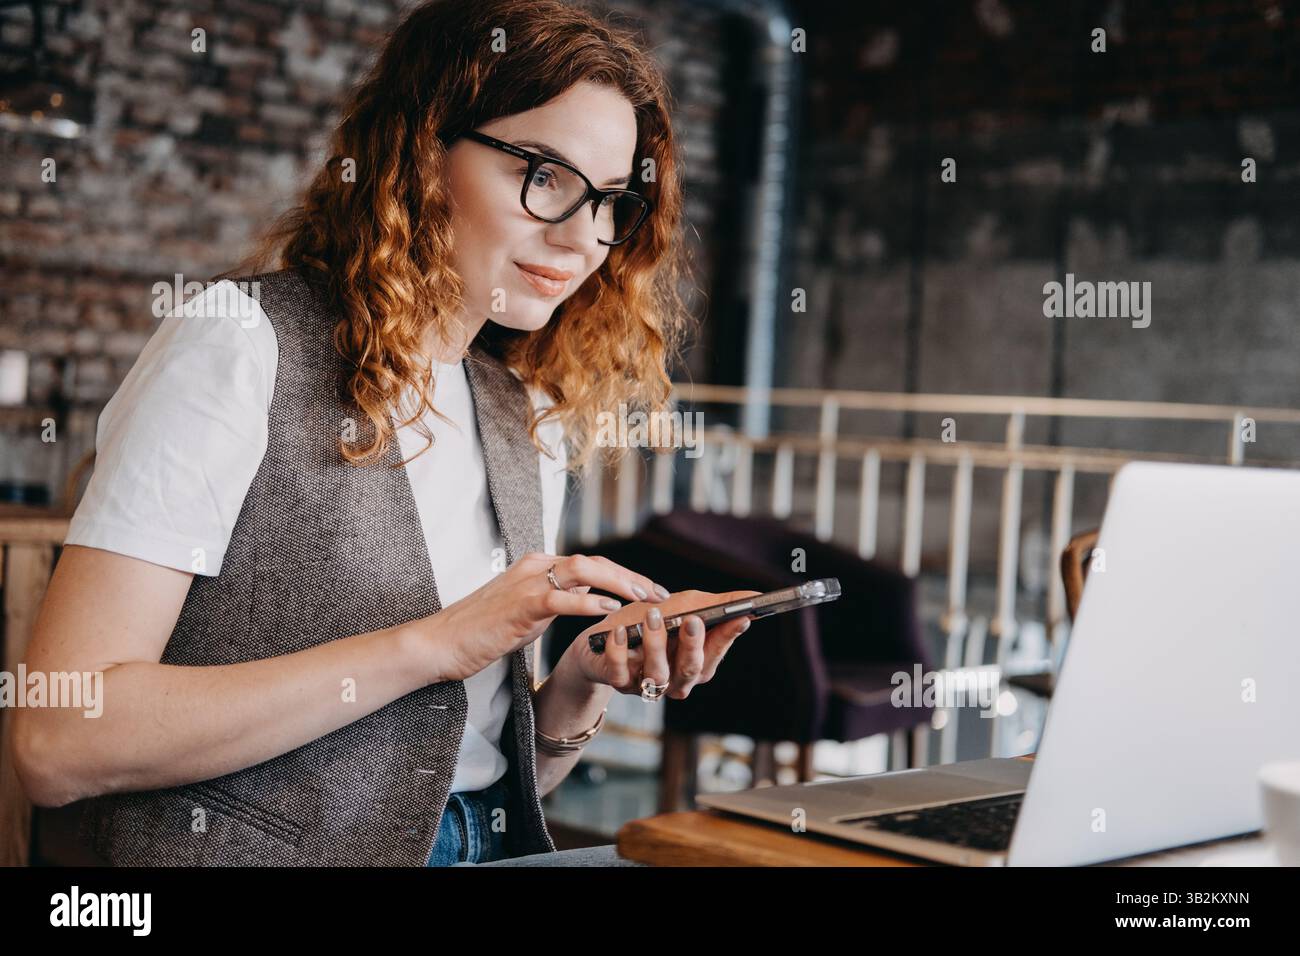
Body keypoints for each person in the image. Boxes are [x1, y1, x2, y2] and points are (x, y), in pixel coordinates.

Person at [13, 0, 756, 867]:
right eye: (545, 175)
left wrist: (582, 681)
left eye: (610, 201)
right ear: (421, 149)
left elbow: (454, 780)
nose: (582, 237)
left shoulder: (521, 409)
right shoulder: (239, 343)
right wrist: (433, 644)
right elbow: (57, 742)